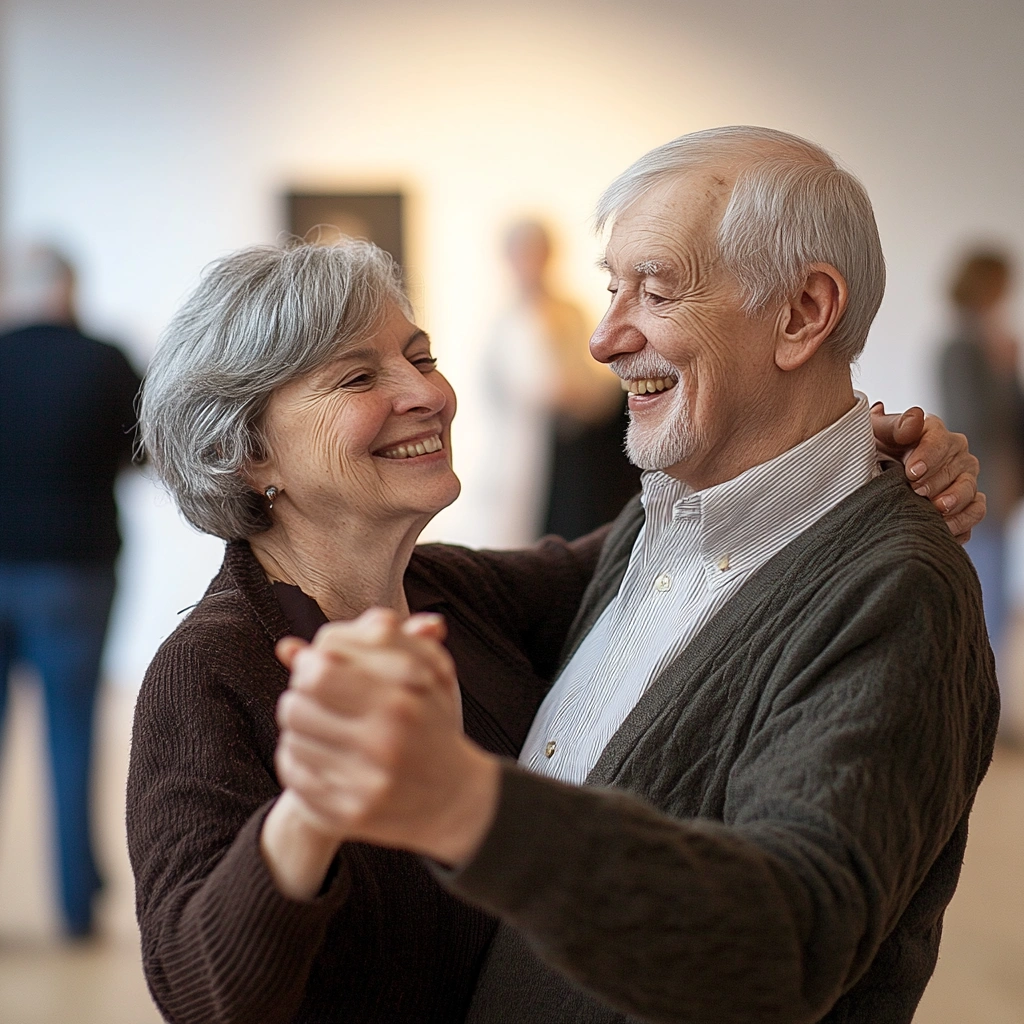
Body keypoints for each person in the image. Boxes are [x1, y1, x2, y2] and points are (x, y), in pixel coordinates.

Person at [127, 239, 978, 1024]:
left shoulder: (460, 596)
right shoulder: (210, 671)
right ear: (248, 452)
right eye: (357, 379)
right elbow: (204, 995)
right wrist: (316, 803)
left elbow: (661, 546)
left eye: (420, 358)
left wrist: (830, 450)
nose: (428, 393)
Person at [0, 243, 141, 938]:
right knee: (73, 734)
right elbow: (145, 450)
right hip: (76, 570)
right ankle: (76, 907)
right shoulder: (104, 359)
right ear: (71, 287)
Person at [480, 219, 633, 545]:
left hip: (574, 446)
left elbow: (586, 374)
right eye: (523, 254)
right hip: (526, 449)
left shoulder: (569, 312)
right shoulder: (506, 323)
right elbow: (536, 388)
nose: (531, 263)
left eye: (538, 253)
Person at [939, 250, 1024, 679]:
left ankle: (994, 703)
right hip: (977, 491)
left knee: (997, 601)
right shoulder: (959, 348)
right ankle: (980, 708)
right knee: (984, 602)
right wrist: (1004, 369)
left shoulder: (993, 344)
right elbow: (970, 422)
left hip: (1002, 493)